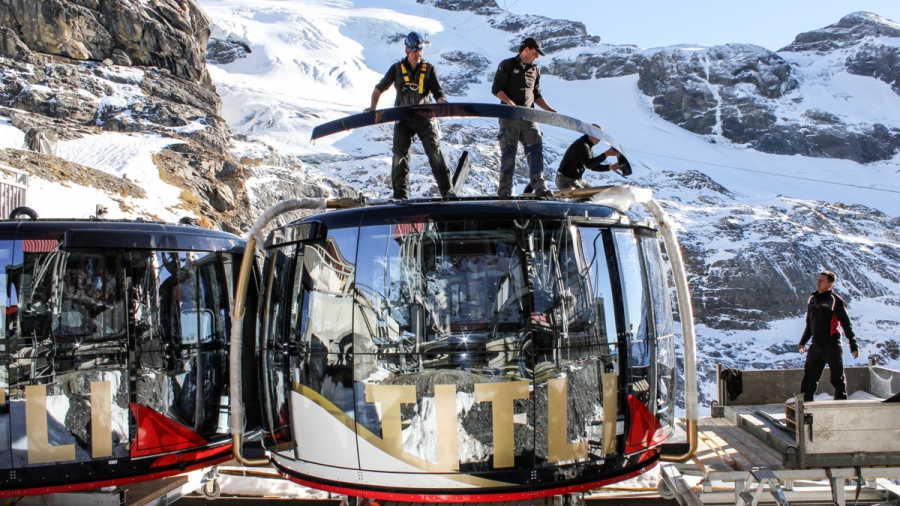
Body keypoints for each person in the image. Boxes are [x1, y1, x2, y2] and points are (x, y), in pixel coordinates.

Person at [365, 31, 454, 200]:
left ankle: (448, 192)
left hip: (424, 117)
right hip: (403, 118)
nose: (418, 54)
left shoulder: (429, 69)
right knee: (400, 156)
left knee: (435, 153)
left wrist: (443, 102)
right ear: (407, 50)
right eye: (414, 51)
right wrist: (372, 108)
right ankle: (401, 195)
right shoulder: (396, 69)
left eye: (420, 50)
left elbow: (438, 92)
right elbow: (379, 89)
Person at [491, 37, 557, 198]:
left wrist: (549, 110)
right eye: (535, 53)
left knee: (536, 150)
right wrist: (510, 103)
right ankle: (505, 190)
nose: (537, 57)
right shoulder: (507, 65)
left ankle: (540, 187)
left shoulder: (535, 70)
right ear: (525, 49)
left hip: (529, 116)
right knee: (509, 153)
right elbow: (496, 89)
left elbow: (537, 94)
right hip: (509, 116)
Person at [798, 270, 859, 401]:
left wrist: (853, 345)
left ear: (830, 284)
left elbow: (846, 325)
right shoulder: (812, 299)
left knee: (837, 380)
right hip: (816, 345)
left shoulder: (835, 301)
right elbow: (809, 325)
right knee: (809, 379)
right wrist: (803, 342)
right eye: (818, 279)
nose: (818, 282)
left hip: (832, 345)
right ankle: (805, 410)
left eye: (822, 280)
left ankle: (841, 409)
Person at [556, 129, 625, 191]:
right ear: (592, 135)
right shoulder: (583, 145)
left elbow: (592, 165)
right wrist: (606, 154)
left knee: (594, 194)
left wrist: (611, 167)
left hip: (575, 179)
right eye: (599, 137)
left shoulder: (587, 145)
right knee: (586, 198)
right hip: (566, 179)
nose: (599, 141)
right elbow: (589, 164)